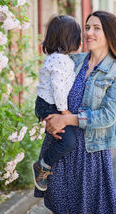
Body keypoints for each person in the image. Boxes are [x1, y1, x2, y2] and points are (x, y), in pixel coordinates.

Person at [34, 10, 116, 214]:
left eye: (96, 28)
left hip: (91, 153)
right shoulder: (72, 60)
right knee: (61, 213)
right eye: (87, 27)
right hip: (60, 147)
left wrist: (66, 118)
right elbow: (49, 91)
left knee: (89, 212)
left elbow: (107, 116)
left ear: (110, 34)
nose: (89, 33)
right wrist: (48, 120)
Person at [32, 15, 82, 192]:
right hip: (51, 105)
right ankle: (43, 165)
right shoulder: (61, 60)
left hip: (45, 104)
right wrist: (65, 111)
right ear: (69, 38)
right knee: (68, 141)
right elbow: (58, 88)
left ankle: (44, 165)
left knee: (62, 138)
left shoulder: (56, 58)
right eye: (77, 36)